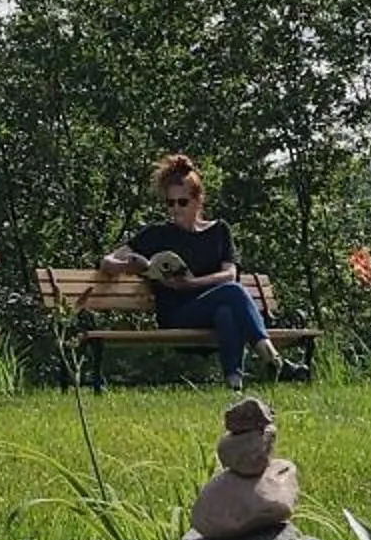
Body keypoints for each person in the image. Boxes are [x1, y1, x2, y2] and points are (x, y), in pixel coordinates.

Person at [102, 153, 296, 386]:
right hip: (176, 315)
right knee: (232, 293)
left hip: (210, 311)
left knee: (226, 310)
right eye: (170, 203)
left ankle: (234, 383)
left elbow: (230, 273)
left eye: (182, 202)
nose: (175, 209)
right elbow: (107, 261)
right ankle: (273, 359)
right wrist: (128, 266)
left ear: (198, 200)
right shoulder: (156, 234)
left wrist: (191, 283)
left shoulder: (219, 231)